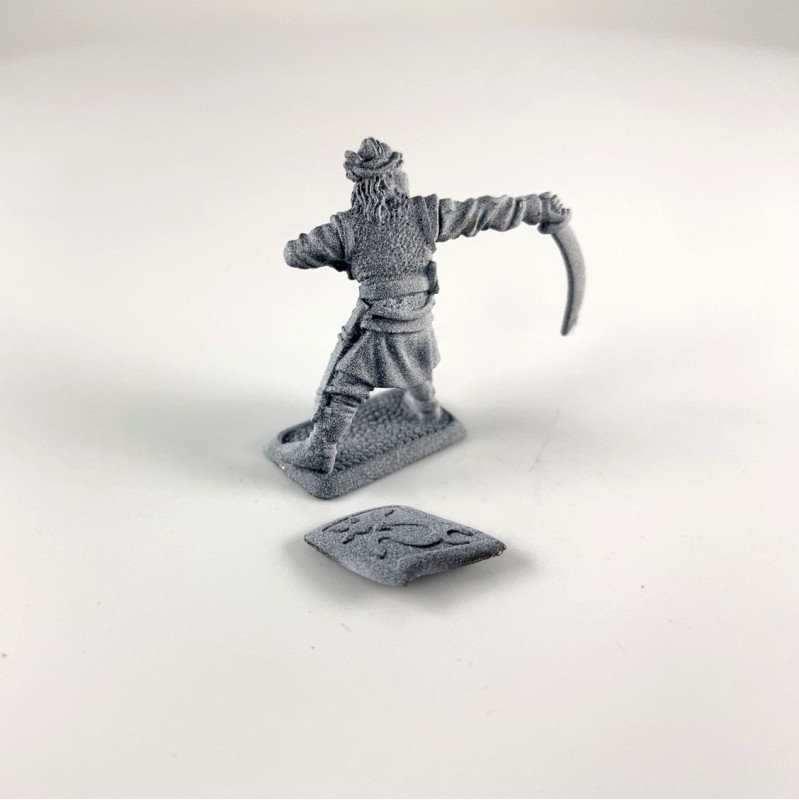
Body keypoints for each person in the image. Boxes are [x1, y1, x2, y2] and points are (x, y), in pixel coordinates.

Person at [274, 137, 568, 473]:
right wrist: (537, 207)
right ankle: (426, 409)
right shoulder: (426, 213)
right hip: (416, 319)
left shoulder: (347, 228)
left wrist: (339, 250)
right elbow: (484, 212)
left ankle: (321, 450)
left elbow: (294, 253)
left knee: (345, 385)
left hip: (381, 324)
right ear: (392, 179)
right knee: (413, 358)